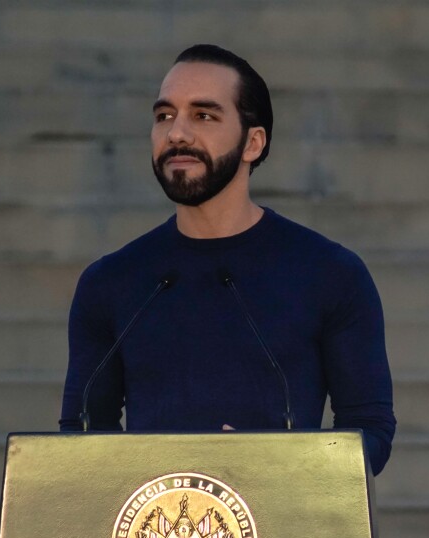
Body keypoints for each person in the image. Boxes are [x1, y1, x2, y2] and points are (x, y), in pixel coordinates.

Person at [59, 44, 395, 474]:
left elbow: (370, 430)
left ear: (253, 142)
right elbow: (82, 433)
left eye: (203, 115)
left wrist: (274, 464)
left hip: (287, 532)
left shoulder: (330, 274)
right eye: (164, 116)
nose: (177, 133)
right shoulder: (109, 282)